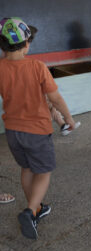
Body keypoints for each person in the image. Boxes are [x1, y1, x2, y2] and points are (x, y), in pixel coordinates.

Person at [0, 17, 76, 239]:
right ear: (26, 44)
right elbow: (56, 97)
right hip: (37, 130)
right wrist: (68, 118)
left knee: (26, 168)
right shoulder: (37, 67)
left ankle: (36, 207)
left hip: (13, 130)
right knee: (43, 172)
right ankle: (30, 211)